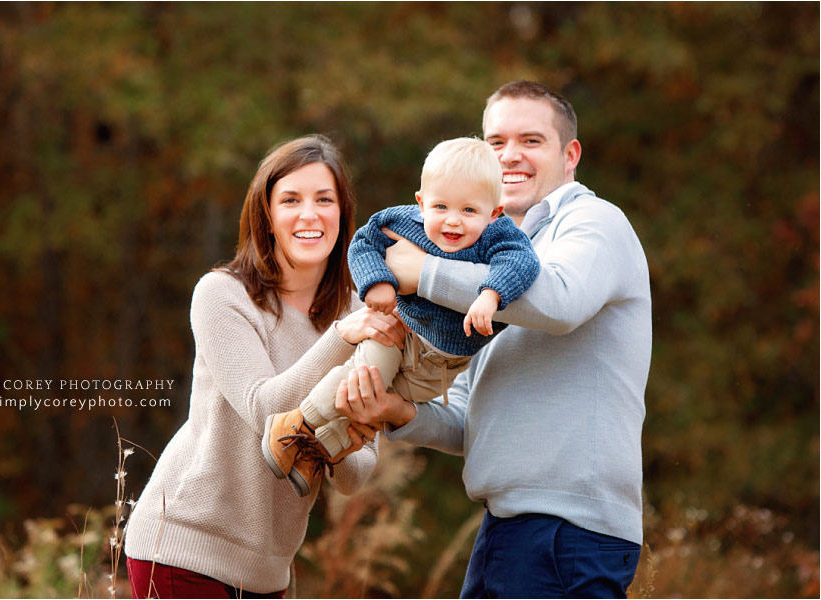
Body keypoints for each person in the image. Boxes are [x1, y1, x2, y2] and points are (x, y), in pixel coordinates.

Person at [336, 80, 652, 598]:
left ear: (570, 154)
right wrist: (398, 412)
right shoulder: (482, 252)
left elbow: (561, 302)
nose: (510, 156)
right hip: (505, 525)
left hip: (568, 532)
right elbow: (468, 419)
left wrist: (422, 272)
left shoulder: (595, 222)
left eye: (531, 141)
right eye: (495, 142)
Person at [124, 135, 404, 598]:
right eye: (290, 200)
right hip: (183, 549)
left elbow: (354, 478)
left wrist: (357, 421)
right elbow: (264, 408)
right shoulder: (224, 295)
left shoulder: (361, 311)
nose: (309, 214)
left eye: (324, 200)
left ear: (343, 215)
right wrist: (341, 339)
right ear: (267, 216)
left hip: (269, 572)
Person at [261, 137, 539, 495]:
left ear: (495, 212)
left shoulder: (500, 236)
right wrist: (376, 281)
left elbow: (522, 263)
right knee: (363, 378)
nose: (452, 221)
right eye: (440, 207)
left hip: (441, 368)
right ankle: (295, 424)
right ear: (421, 203)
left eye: (469, 211)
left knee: (373, 407)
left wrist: (491, 294)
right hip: (400, 333)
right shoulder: (405, 221)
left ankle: (319, 448)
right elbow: (364, 241)